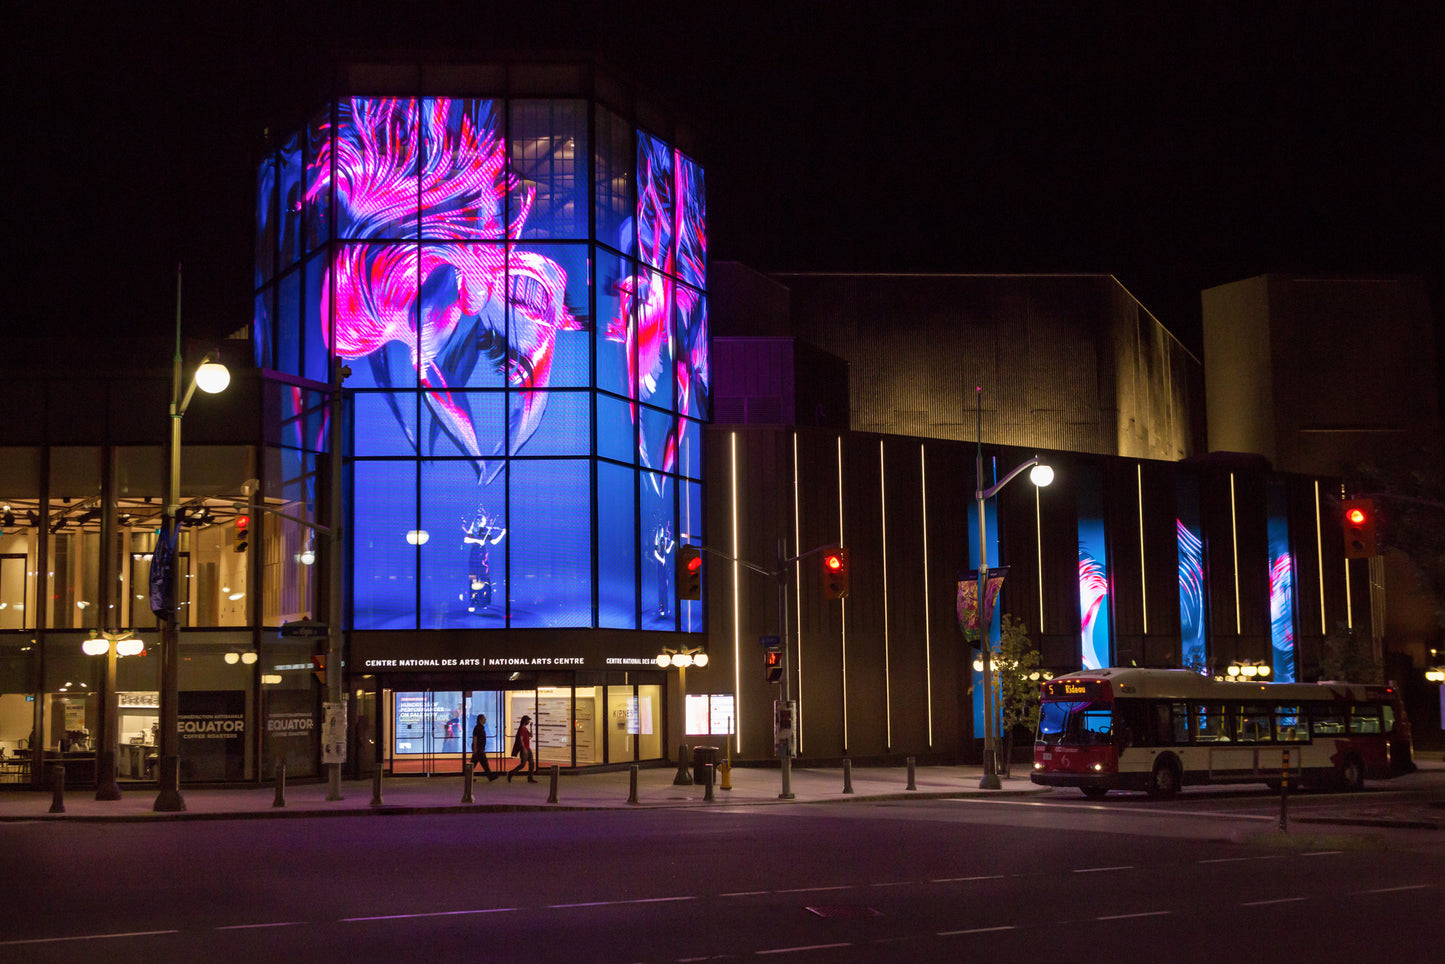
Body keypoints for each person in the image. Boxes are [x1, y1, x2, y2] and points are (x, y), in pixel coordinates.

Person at [507, 714, 537, 782]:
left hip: (528, 748)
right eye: (528, 720)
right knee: (523, 764)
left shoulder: (525, 728)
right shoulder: (521, 729)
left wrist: (531, 727)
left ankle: (530, 777)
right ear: (525, 721)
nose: (529, 721)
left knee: (531, 763)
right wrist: (523, 749)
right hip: (525, 749)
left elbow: (531, 735)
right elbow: (521, 739)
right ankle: (511, 773)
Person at [470, 713, 497, 781]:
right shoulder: (478, 728)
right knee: (482, 763)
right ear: (480, 719)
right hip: (479, 749)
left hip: (480, 748)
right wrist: (475, 749)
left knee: (476, 763)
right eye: (484, 718)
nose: (485, 719)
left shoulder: (480, 727)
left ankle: (469, 776)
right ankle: (490, 776)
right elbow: (475, 738)